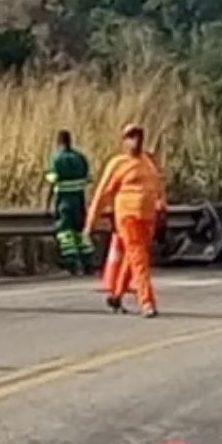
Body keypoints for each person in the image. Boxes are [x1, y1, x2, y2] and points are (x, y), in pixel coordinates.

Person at [84, 124, 166, 318]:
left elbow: (159, 185)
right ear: (124, 141)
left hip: (147, 217)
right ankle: (146, 302)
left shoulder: (148, 162)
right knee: (139, 260)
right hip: (128, 217)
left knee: (134, 257)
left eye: (138, 136)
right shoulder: (118, 164)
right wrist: (91, 223)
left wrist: (162, 206)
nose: (135, 141)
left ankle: (116, 295)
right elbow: (102, 194)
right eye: (130, 137)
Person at [44, 130, 96, 275]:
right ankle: (88, 262)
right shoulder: (80, 158)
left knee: (65, 234)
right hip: (79, 202)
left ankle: (72, 263)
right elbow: (88, 180)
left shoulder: (57, 159)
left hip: (64, 203)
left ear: (58, 142)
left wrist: (47, 204)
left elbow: (52, 182)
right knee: (81, 233)